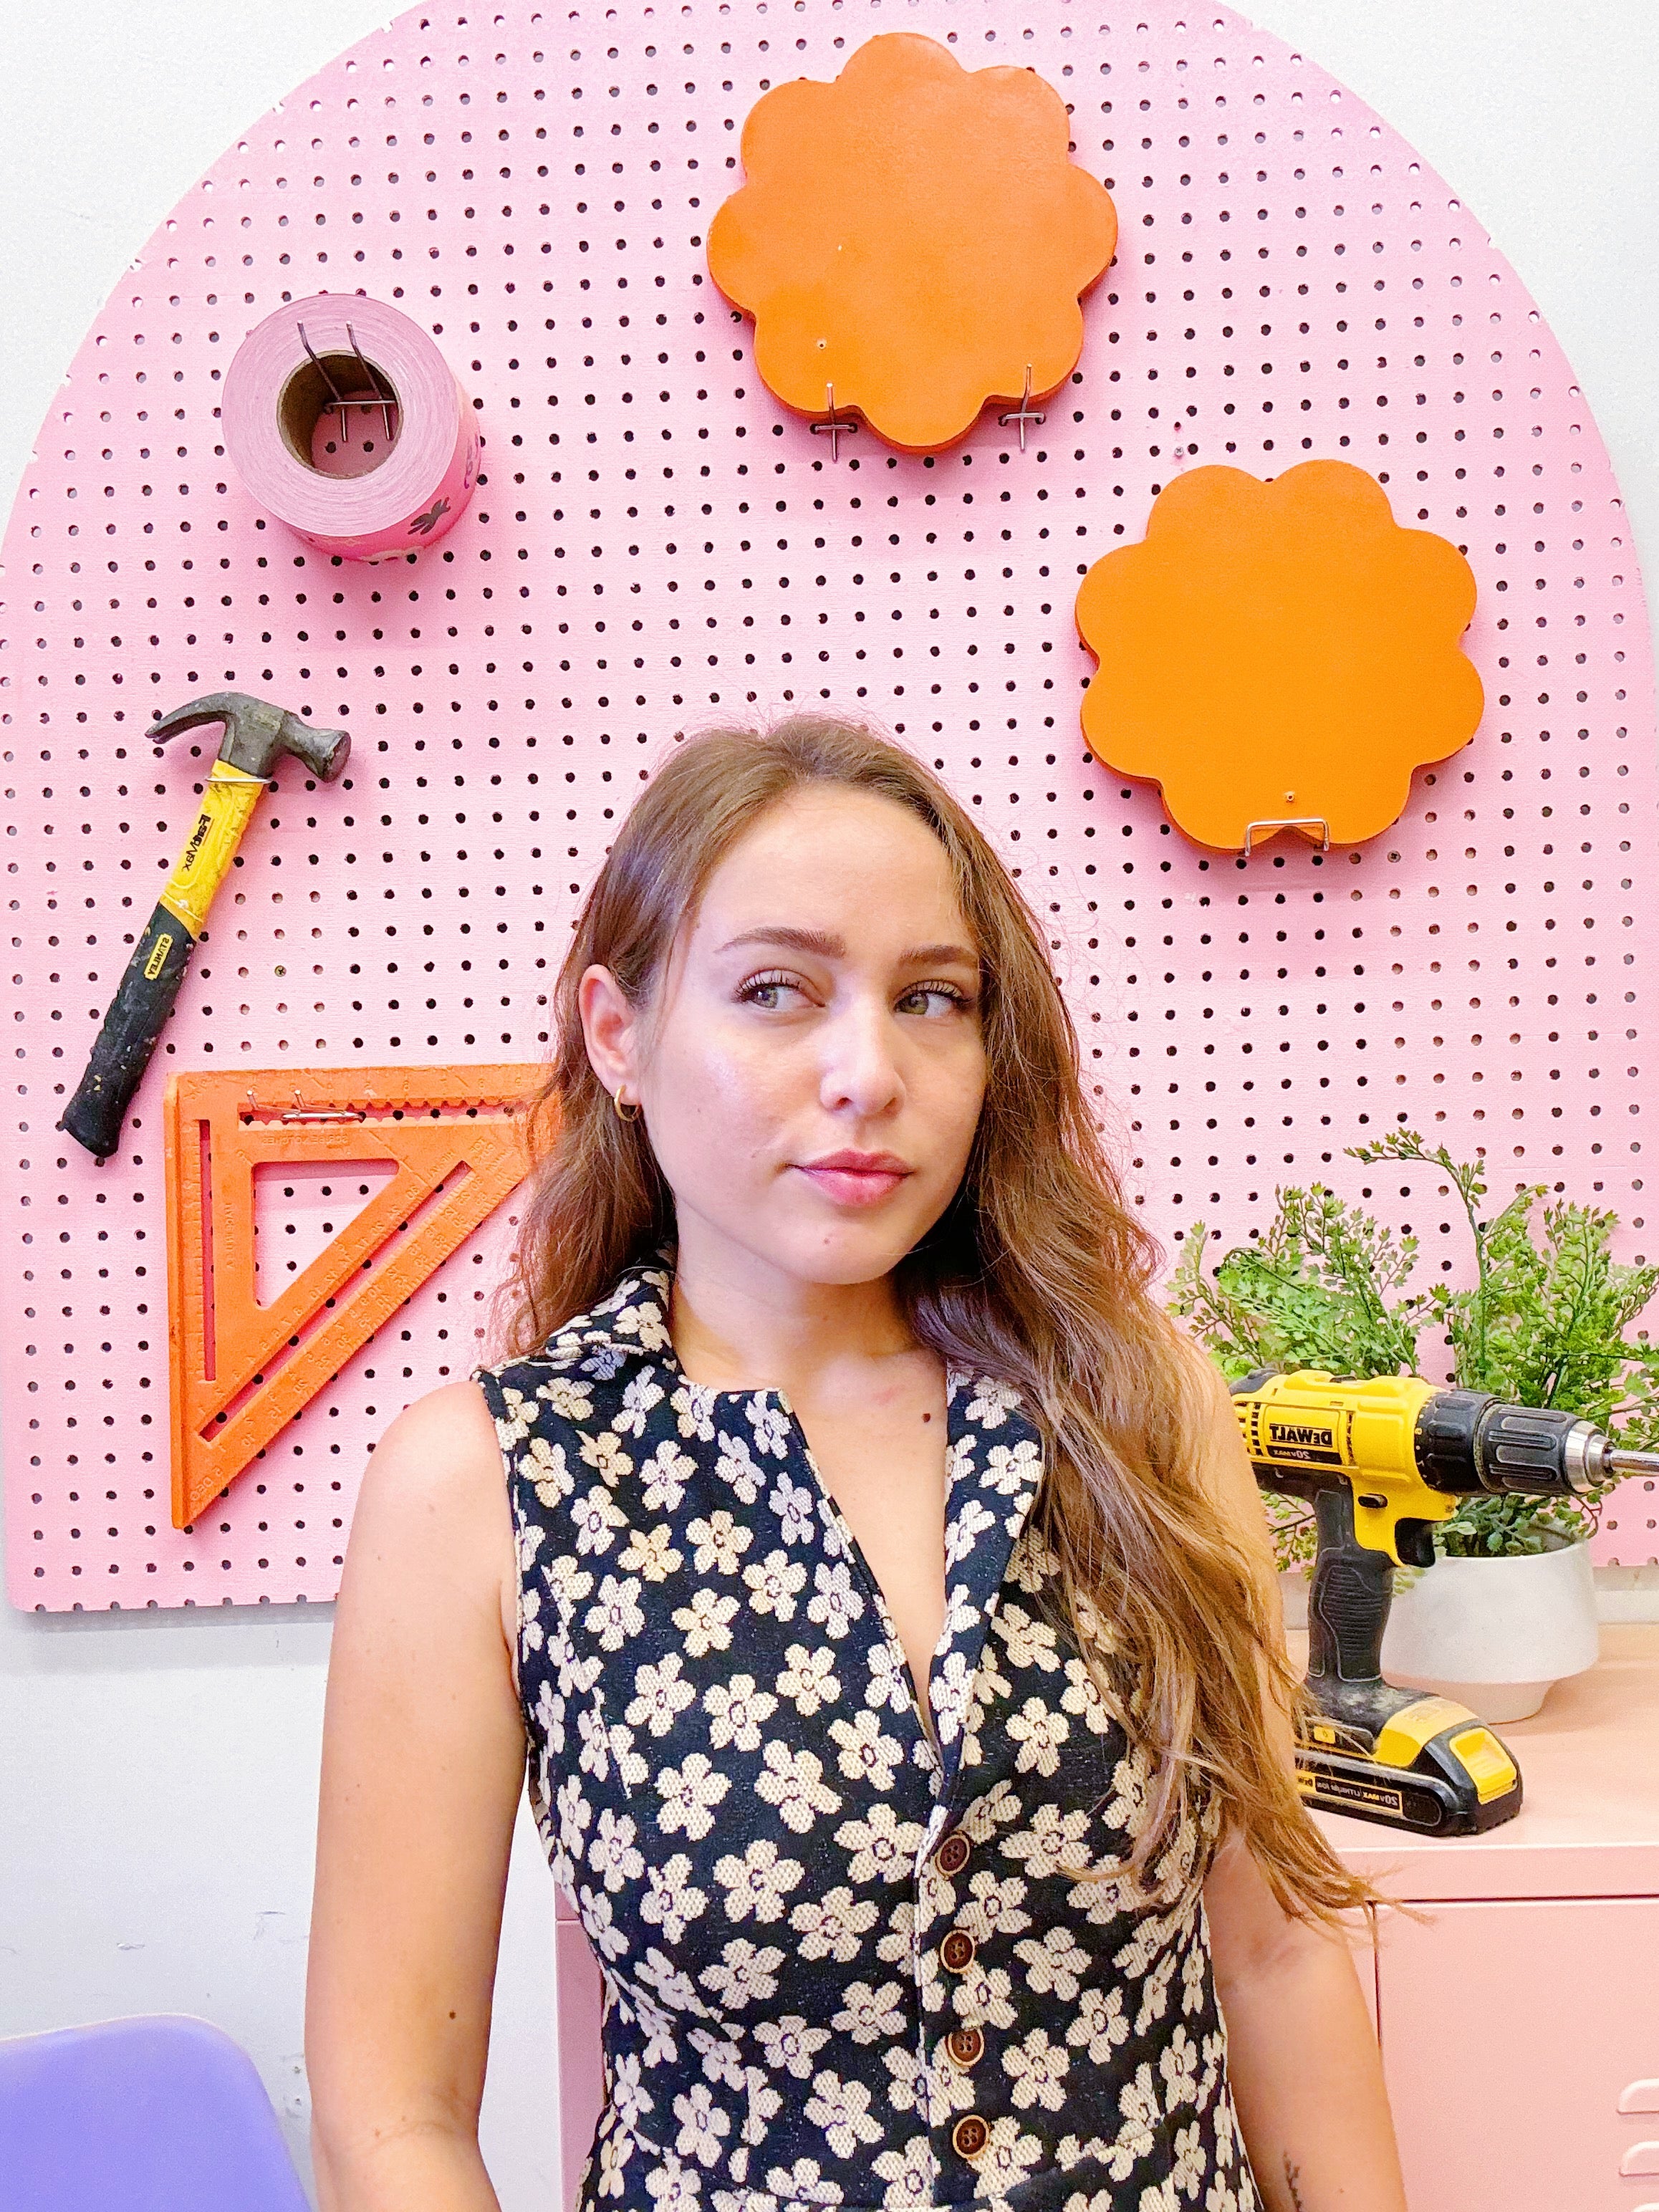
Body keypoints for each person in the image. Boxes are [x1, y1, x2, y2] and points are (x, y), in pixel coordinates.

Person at [305, 717, 1407, 2212]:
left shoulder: (1138, 1406)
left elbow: (1277, 1950)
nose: (868, 1072)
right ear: (619, 1035)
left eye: (931, 998)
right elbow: (391, 2112)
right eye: (776, 990)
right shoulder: (490, 1481)